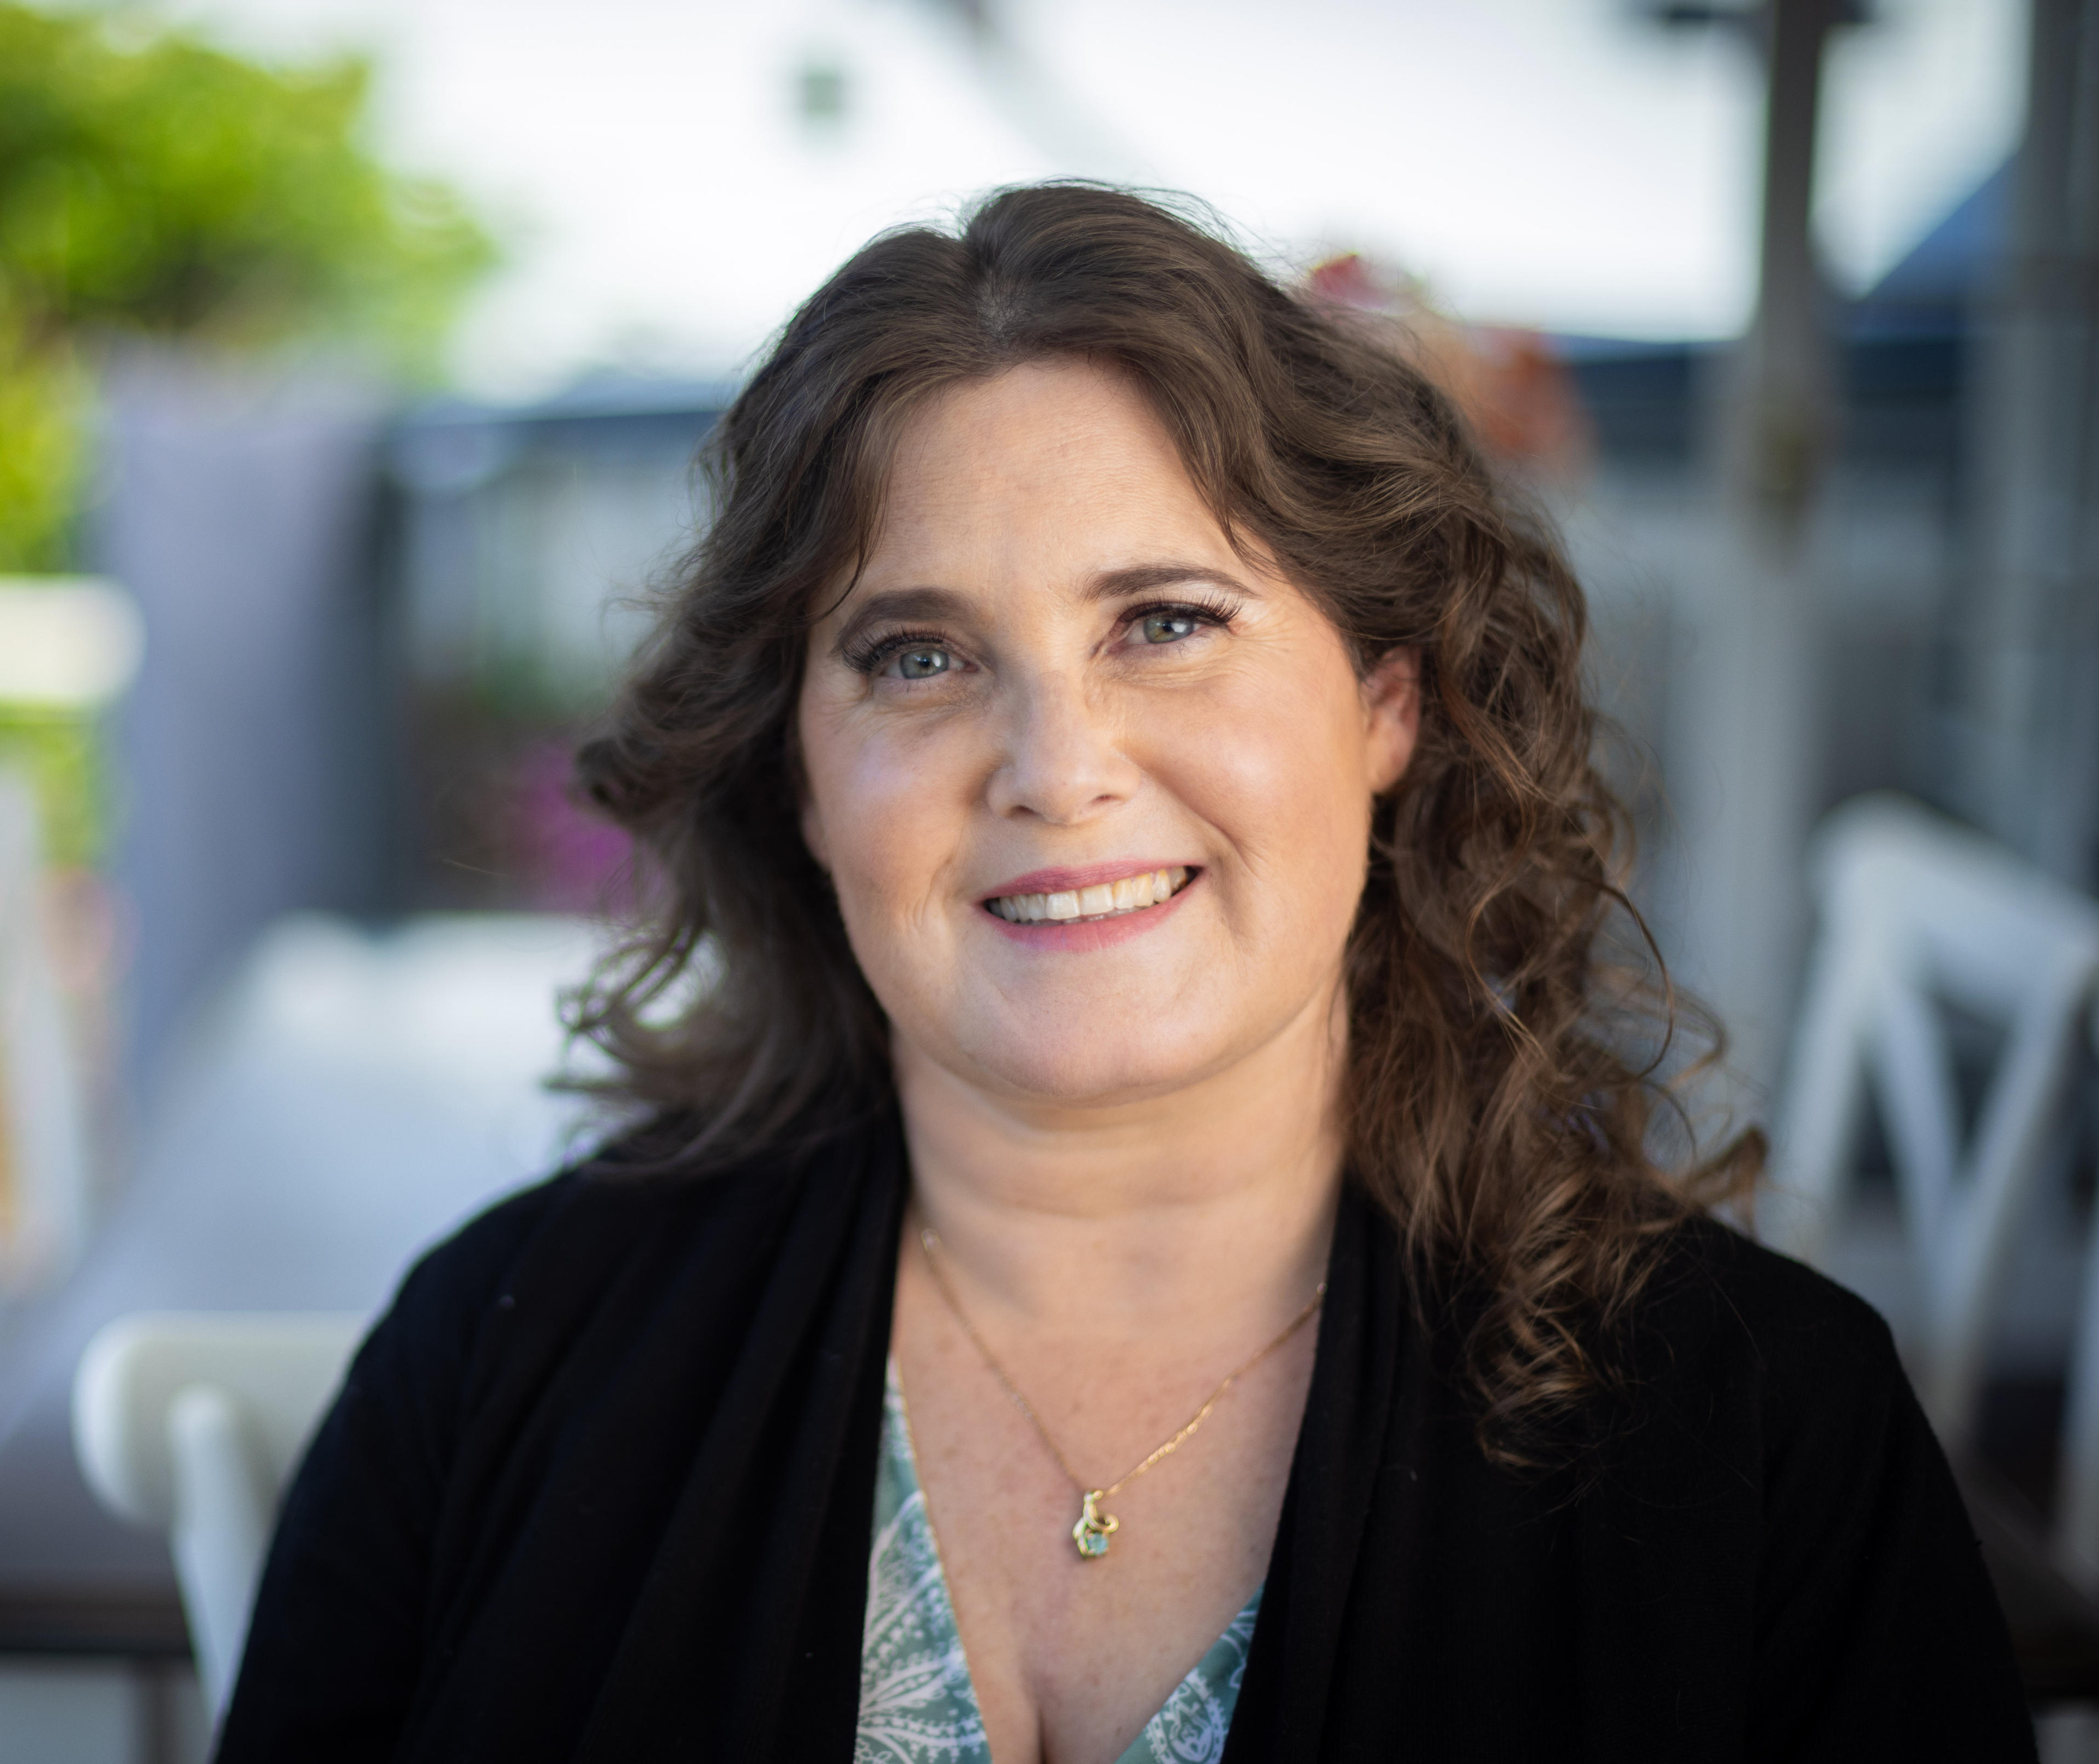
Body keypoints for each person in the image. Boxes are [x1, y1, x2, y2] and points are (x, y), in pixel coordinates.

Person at [214, 184, 2031, 1762]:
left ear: (1388, 702)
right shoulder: (499, 1353)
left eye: (1166, 623)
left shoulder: (1771, 1439)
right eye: (917, 657)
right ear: (801, 777)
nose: (1057, 770)